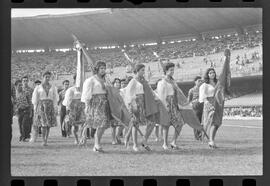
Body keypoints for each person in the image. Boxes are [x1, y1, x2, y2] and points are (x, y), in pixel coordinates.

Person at [199, 49, 231, 148]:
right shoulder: (204, 85)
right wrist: (208, 104)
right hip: (209, 103)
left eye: (213, 72)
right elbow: (202, 98)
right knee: (213, 122)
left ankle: (212, 140)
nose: (212, 74)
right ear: (207, 75)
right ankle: (211, 141)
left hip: (218, 103)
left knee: (218, 123)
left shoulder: (218, 83)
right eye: (210, 73)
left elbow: (221, 90)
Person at [123, 64, 157, 152]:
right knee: (135, 123)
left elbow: (149, 91)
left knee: (152, 122)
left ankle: (144, 140)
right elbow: (129, 94)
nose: (143, 72)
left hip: (144, 103)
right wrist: (132, 105)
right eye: (142, 70)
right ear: (137, 71)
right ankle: (135, 144)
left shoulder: (143, 81)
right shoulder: (133, 81)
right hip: (136, 103)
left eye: (144, 70)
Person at [81, 61, 111, 152]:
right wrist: (87, 105)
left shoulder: (106, 79)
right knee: (100, 123)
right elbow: (86, 94)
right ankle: (97, 144)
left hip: (105, 103)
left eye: (104, 68)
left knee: (104, 125)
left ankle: (96, 144)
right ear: (97, 69)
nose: (103, 70)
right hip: (96, 103)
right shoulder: (91, 80)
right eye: (101, 68)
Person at [156, 62, 185, 150]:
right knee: (166, 124)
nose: (172, 71)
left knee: (180, 123)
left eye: (173, 70)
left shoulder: (173, 81)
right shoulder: (162, 82)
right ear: (166, 71)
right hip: (167, 103)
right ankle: (165, 143)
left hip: (175, 103)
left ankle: (173, 141)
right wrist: (165, 105)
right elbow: (161, 95)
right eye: (170, 70)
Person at [32, 71, 59, 146]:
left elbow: (55, 98)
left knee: (48, 125)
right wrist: (35, 109)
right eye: (46, 77)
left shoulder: (53, 87)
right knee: (43, 124)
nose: (47, 78)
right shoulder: (38, 87)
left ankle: (46, 139)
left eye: (49, 77)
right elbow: (35, 99)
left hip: (50, 106)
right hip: (41, 107)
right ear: (43, 77)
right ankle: (43, 140)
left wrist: (55, 107)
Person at [62, 75, 85, 145]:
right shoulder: (71, 90)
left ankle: (81, 138)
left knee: (83, 124)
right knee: (75, 126)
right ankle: (76, 139)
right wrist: (67, 112)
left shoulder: (83, 89)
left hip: (82, 107)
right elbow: (67, 101)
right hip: (73, 108)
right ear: (74, 80)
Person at [188, 76, 204, 140]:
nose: (200, 82)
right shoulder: (191, 90)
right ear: (195, 82)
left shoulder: (203, 89)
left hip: (203, 108)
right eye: (199, 81)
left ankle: (200, 135)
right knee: (196, 122)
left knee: (202, 122)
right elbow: (189, 100)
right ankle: (197, 136)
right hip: (195, 108)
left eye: (201, 81)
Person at [110, 78, 122, 145]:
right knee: (113, 126)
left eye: (119, 82)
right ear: (113, 84)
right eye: (116, 82)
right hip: (113, 110)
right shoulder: (111, 92)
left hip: (121, 110)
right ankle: (113, 139)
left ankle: (117, 136)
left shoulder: (122, 91)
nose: (118, 84)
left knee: (122, 125)